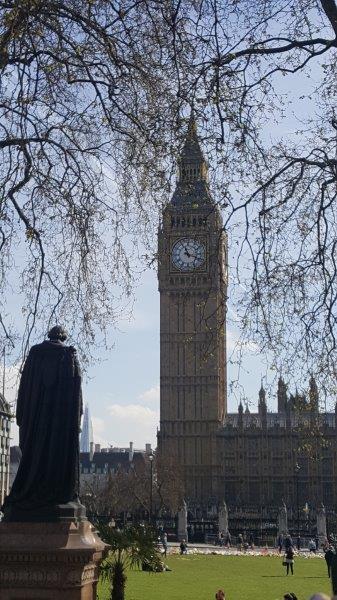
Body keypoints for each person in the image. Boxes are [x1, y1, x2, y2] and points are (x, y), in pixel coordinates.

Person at [2, 325, 84, 521]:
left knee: (35, 457)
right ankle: (54, 492)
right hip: (60, 426)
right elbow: (77, 395)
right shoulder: (69, 355)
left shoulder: (35, 355)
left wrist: (23, 415)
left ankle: (33, 490)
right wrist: (76, 421)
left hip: (36, 421)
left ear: (49, 336)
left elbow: (24, 389)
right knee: (56, 458)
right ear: (63, 337)